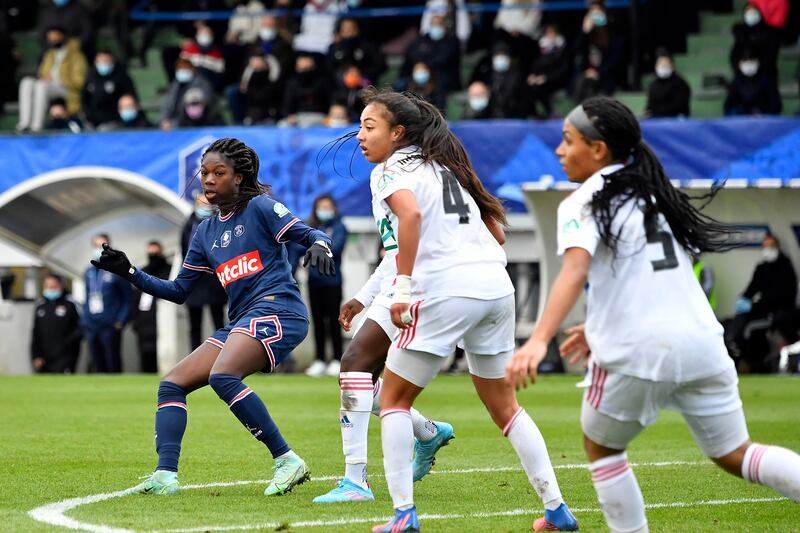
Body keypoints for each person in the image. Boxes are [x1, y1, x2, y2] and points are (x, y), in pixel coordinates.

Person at [506, 96, 800, 533]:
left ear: (599, 150)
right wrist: (598, 323)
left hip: (639, 350)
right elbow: (648, 276)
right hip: (702, 343)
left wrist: (537, 339)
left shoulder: (583, 200)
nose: (559, 151)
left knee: (601, 447)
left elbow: (575, 269)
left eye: (568, 141)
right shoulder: (657, 194)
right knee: (735, 453)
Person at [351, 88, 577, 533]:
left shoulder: (390, 171)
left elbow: (410, 218)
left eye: (368, 126)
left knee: (394, 399)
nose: (359, 135)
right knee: (506, 406)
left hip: (447, 289)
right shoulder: (446, 167)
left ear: (398, 134)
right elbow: (498, 234)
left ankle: (403, 517)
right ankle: (556, 510)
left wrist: (403, 288)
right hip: (495, 287)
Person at [91, 137, 336, 497]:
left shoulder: (261, 208)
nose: (208, 179)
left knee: (223, 375)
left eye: (218, 173)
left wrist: (319, 244)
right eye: (204, 173)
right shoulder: (204, 232)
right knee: (172, 383)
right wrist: (130, 272)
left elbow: (311, 232)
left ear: (238, 178)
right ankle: (165, 475)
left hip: (279, 309)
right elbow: (178, 292)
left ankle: (287, 459)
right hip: (242, 320)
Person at [730, 234, 797, 372]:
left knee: (751, 329)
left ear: (778, 247)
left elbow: (780, 296)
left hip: (779, 312)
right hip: (761, 310)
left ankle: (760, 364)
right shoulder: (762, 268)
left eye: (771, 246)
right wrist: (743, 298)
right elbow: (752, 287)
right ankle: (751, 362)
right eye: (765, 246)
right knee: (738, 325)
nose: (767, 250)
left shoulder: (786, 267)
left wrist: (753, 306)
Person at [303, 195, 348, 377]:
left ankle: (337, 359)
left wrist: (317, 247)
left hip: (333, 281)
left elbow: (335, 249)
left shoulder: (339, 226)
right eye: (321, 206)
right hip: (314, 282)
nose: (324, 210)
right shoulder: (311, 226)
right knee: (318, 322)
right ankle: (319, 360)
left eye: (327, 206)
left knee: (333, 321)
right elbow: (299, 247)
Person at [16, 26, 87, 133]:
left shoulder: (76, 55)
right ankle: (24, 123)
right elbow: (42, 74)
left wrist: (61, 79)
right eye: (50, 37)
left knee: (41, 86)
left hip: (67, 90)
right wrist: (45, 77)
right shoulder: (49, 54)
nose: (53, 39)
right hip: (50, 87)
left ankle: (36, 126)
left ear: (63, 36)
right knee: (27, 82)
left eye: (55, 36)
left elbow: (79, 82)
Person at [181, 193, 228, 350]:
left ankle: (223, 355)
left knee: (219, 323)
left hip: (215, 281)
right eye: (201, 204)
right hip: (195, 282)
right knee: (195, 326)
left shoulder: (219, 222)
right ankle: (194, 359)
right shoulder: (188, 226)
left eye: (207, 204)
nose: (204, 207)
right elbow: (183, 252)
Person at [83, 233, 132, 373]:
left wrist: (120, 321)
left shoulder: (117, 271)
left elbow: (127, 298)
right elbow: (87, 297)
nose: (98, 249)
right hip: (92, 324)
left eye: (101, 245)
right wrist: (85, 321)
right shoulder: (88, 272)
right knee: (97, 363)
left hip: (110, 325)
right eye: (95, 246)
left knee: (112, 362)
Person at [131, 241, 172, 373]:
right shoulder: (143, 272)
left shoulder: (169, 271)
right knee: (145, 356)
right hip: (144, 323)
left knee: (161, 355)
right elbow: (135, 298)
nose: (152, 256)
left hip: (161, 322)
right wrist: (135, 321)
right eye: (150, 253)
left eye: (155, 253)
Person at [30, 273, 82, 374]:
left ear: (61, 287)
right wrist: (35, 356)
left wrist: (68, 343)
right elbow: (35, 334)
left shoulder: (70, 305)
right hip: (45, 358)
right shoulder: (40, 307)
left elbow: (79, 329)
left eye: (53, 287)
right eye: (47, 286)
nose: (50, 289)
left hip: (65, 357)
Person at [81, 49, 137, 130]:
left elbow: (130, 97)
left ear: (112, 60)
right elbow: (84, 97)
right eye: (100, 61)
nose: (103, 64)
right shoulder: (91, 76)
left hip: (114, 121)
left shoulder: (121, 76)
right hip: (92, 121)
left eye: (105, 61)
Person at [159, 58, 214, 130]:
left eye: (185, 68)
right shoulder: (175, 85)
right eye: (180, 69)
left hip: (193, 122)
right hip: (174, 122)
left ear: (192, 69)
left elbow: (206, 104)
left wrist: (174, 124)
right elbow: (168, 103)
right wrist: (164, 119)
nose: (182, 71)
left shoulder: (202, 83)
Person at [724, 49, 782, 116]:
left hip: (763, 117)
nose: (748, 64)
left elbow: (776, 105)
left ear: (758, 62)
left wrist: (761, 114)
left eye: (751, 61)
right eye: (745, 61)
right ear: (740, 64)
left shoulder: (767, 80)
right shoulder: (737, 81)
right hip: (743, 117)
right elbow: (728, 105)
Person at [644, 49, 691, 118]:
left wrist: (656, 111)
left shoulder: (680, 83)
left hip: (675, 121)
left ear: (672, 66)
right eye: (660, 64)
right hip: (656, 120)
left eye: (665, 64)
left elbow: (679, 107)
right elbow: (650, 106)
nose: (662, 66)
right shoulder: (653, 85)